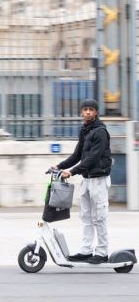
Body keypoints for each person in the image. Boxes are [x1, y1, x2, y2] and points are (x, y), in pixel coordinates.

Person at [53, 98, 112, 264]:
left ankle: (102, 252)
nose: (87, 112)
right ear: (81, 112)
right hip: (87, 179)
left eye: (91, 110)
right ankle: (86, 251)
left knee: (99, 217)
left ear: (96, 112)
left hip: (98, 179)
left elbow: (93, 158)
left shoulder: (100, 131)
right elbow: (77, 155)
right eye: (85, 109)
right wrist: (59, 166)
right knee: (85, 216)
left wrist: (71, 172)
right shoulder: (84, 130)